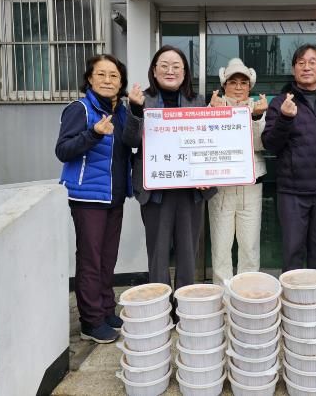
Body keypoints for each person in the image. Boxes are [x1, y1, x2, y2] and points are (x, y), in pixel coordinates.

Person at [122, 46, 216, 319]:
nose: (170, 70)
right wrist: (135, 110)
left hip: (190, 191)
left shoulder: (199, 101)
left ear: (185, 72)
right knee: (158, 254)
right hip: (155, 192)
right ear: (154, 70)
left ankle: (184, 309)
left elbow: (209, 144)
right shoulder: (142, 100)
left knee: (188, 254)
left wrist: (206, 175)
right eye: (164, 65)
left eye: (176, 66)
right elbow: (130, 140)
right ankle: (160, 310)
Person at [55, 54, 132, 343]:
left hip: (114, 196)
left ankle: (106, 309)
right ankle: (90, 321)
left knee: (107, 258)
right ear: (90, 78)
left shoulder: (121, 111)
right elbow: (63, 150)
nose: (108, 80)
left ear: (121, 82)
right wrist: (94, 133)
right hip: (88, 197)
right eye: (101, 74)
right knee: (90, 259)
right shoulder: (81, 109)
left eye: (114, 75)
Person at [261, 44, 316, 274]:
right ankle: (292, 297)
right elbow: (270, 144)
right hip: (292, 191)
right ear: (294, 69)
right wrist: (285, 118)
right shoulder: (280, 102)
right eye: (301, 62)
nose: (307, 67)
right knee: (293, 251)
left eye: (312, 62)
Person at [207, 58, 268, 285]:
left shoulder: (258, 108)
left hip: (251, 184)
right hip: (221, 185)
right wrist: (213, 113)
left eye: (244, 82)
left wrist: (256, 117)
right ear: (224, 85)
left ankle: (247, 292)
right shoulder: (213, 106)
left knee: (249, 245)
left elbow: (261, 144)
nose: (239, 87)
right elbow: (205, 143)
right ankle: (222, 295)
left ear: (250, 86)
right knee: (221, 245)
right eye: (233, 82)